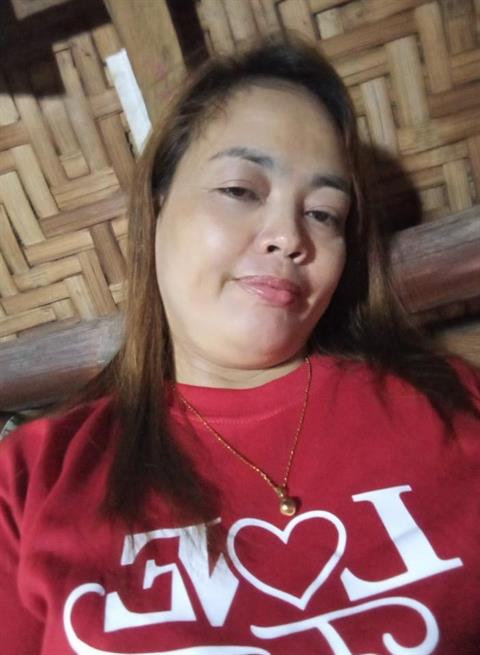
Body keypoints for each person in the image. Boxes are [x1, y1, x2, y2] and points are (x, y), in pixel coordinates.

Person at [0, 34, 479, 655]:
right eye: (240, 190)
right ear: (157, 206)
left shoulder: (449, 403)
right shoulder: (30, 479)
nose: (288, 236)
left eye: (324, 214)